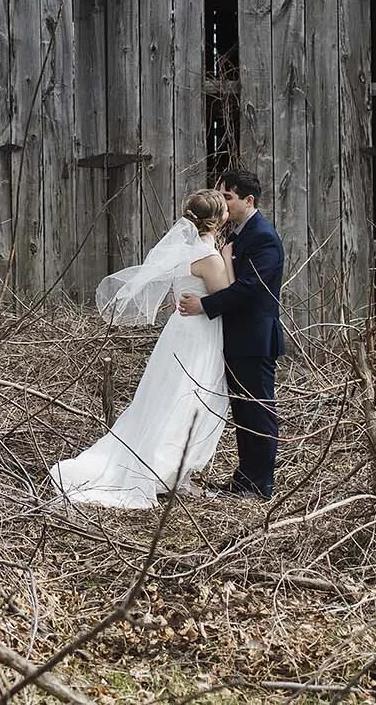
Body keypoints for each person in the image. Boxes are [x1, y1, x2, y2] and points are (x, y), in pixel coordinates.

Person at [50, 190, 234, 509]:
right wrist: (229, 261)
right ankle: (169, 474)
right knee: (191, 398)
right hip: (200, 333)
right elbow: (226, 298)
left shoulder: (181, 253)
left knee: (168, 396)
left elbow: (180, 295)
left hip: (178, 331)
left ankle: (172, 471)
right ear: (218, 220)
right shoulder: (210, 257)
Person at [177, 167, 285, 499]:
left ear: (248, 200)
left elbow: (251, 289)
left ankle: (260, 485)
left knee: (259, 411)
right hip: (235, 339)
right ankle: (245, 479)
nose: (222, 202)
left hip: (255, 339)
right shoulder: (238, 233)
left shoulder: (264, 237)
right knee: (242, 410)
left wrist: (205, 306)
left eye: (228, 197)